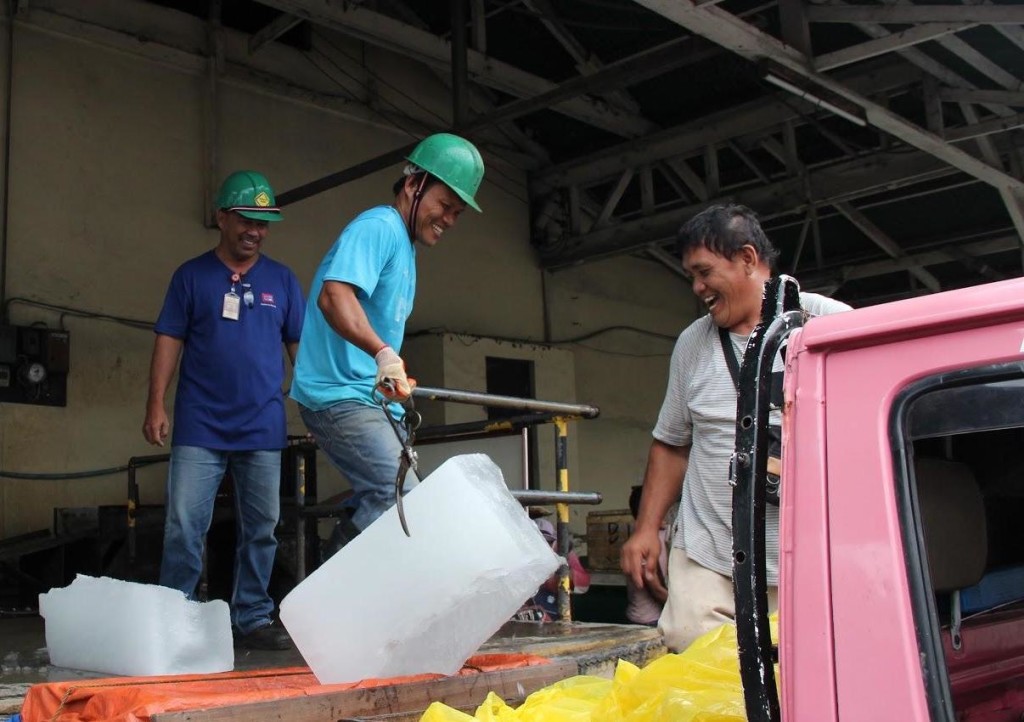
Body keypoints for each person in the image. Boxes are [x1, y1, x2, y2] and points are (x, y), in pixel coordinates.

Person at [620, 204, 850, 652]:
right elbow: (671, 444)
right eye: (691, 276)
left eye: (704, 272)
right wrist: (647, 528)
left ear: (747, 259)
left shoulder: (831, 323)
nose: (697, 287)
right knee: (698, 662)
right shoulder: (692, 343)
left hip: (808, 559)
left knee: (801, 677)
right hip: (709, 556)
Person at [290, 133, 484, 541]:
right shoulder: (378, 227)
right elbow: (333, 295)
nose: (449, 219)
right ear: (414, 185)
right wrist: (382, 353)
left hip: (368, 401)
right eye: (445, 205)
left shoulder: (403, 246)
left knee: (400, 506)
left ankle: (336, 581)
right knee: (403, 503)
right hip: (340, 395)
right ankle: (333, 588)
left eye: (458, 213)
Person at [143, 170, 305, 651]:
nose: (255, 230)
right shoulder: (191, 276)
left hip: (262, 426)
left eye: (264, 222)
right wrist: (155, 402)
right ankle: (179, 613)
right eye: (246, 219)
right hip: (200, 424)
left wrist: (315, 404)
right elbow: (169, 337)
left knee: (262, 529)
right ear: (222, 218)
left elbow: (299, 345)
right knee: (184, 525)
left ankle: (252, 615)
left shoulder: (282, 279)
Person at [513, 518, 591, 622]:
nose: (541, 546)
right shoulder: (515, 556)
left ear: (554, 542)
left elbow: (583, 586)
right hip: (520, 614)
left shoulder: (562, 552)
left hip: (552, 613)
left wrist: (560, 574)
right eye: (535, 541)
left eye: (547, 541)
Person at [624, 485, 668, 626]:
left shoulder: (635, 540)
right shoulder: (646, 543)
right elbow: (656, 590)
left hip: (642, 617)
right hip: (649, 621)